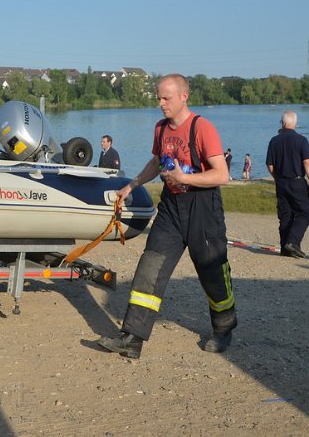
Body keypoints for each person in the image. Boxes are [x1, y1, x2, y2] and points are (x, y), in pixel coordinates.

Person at [96, 74, 235, 359]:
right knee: (150, 267)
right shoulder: (161, 129)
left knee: (212, 271)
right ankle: (132, 337)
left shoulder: (202, 128)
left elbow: (223, 175)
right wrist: (132, 184)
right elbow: (157, 161)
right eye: (158, 97)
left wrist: (186, 177)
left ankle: (223, 328)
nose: (160, 103)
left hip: (203, 208)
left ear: (184, 96)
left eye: (166, 98)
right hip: (171, 208)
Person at [265, 111, 309, 259]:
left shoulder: (274, 141)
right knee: (305, 213)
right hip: (297, 180)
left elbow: (270, 165)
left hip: (281, 182)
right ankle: (293, 242)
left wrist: (277, 178)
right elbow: (307, 162)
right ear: (295, 123)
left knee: (285, 215)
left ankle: (284, 248)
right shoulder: (301, 140)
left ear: (282, 123)